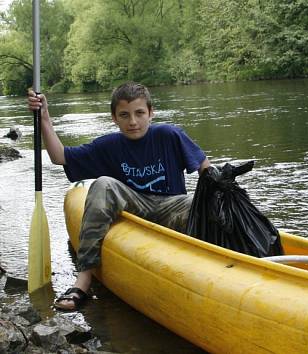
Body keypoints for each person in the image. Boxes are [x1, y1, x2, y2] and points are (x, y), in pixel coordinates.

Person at [28, 82, 210, 311]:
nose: (133, 121)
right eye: (124, 115)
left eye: (139, 113)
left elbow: (205, 167)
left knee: (197, 203)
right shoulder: (109, 145)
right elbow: (60, 157)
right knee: (103, 184)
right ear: (114, 118)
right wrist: (44, 117)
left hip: (170, 206)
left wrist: (220, 195)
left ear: (151, 113)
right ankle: (84, 279)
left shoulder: (169, 135)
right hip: (132, 206)